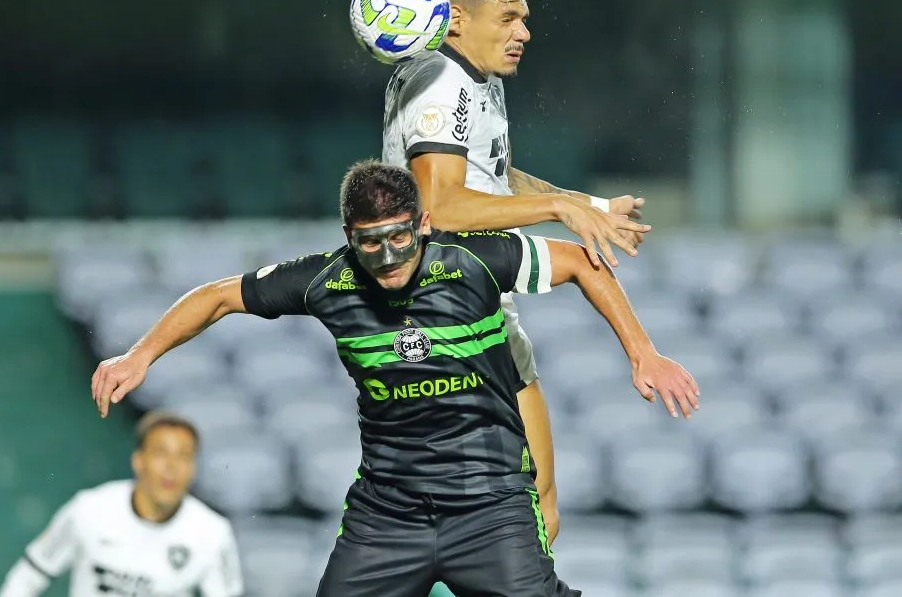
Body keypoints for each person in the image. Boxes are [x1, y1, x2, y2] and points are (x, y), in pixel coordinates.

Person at [91, 161, 699, 597]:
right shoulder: (325, 281)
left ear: (425, 223)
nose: (386, 259)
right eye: (369, 244)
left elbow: (579, 261)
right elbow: (219, 297)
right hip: (388, 513)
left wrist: (643, 353)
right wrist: (140, 355)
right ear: (348, 239)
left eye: (399, 238)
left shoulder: (474, 260)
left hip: (488, 503)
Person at [382, 0, 651, 546]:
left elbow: (490, 174)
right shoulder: (441, 85)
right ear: (455, 19)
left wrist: (589, 204)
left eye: (524, 18)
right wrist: (560, 211)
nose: (524, 32)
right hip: (439, 302)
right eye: (507, 18)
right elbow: (442, 206)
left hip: (480, 290)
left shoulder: (474, 78)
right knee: (478, 514)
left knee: (540, 500)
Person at [0, 411, 243, 597]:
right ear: (138, 460)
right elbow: (29, 575)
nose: (172, 467)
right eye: (160, 453)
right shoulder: (89, 510)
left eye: (184, 456)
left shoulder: (213, 533)